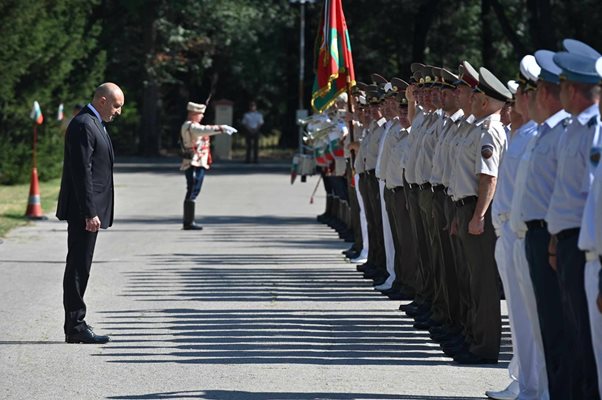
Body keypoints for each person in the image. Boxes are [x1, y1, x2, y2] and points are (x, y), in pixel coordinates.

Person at [56, 82, 124, 344]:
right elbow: (81, 172)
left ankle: (76, 323)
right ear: (103, 100)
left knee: (81, 266)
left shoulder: (95, 123)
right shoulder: (84, 124)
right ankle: (75, 326)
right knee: (78, 266)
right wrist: (89, 211)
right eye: (117, 106)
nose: (118, 112)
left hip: (89, 209)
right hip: (84, 211)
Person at [180, 101, 232, 230]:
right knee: (192, 189)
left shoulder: (192, 125)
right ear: (193, 114)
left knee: (194, 190)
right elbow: (204, 130)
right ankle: (188, 222)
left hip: (199, 162)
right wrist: (222, 128)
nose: (201, 116)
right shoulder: (190, 126)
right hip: (193, 163)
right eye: (199, 114)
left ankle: (189, 220)